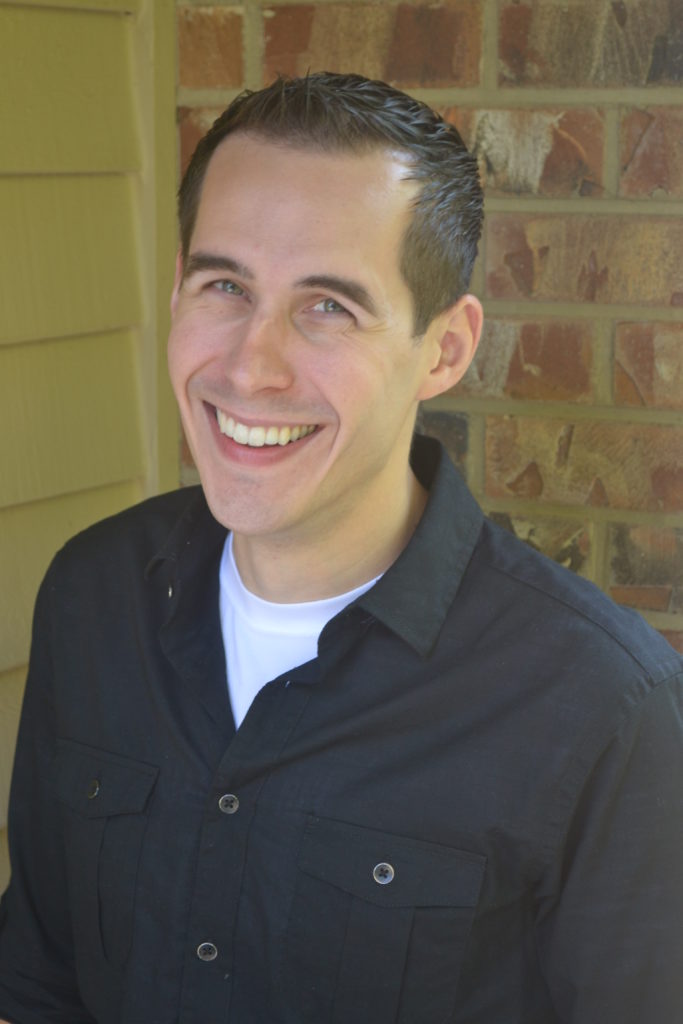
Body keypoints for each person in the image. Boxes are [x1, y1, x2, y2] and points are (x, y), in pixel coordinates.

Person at [0, 72, 681, 1024]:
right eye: (225, 285)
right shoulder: (92, 593)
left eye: (328, 307)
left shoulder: (605, 709)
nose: (248, 365)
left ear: (443, 350)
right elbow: (38, 972)